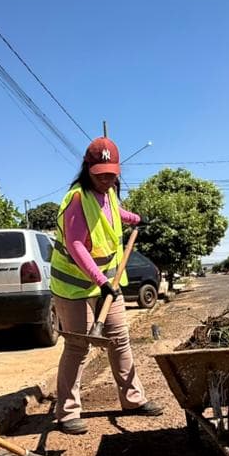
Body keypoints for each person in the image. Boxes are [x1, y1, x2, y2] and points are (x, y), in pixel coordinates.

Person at [49, 137, 164, 434]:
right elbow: (76, 244)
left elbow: (115, 212)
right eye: (100, 174)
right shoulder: (76, 199)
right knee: (78, 346)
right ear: (87, 168)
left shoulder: (109, 193)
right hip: (74, 287)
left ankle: (133, 400)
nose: (105, 179)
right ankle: (67, 412)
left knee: (119, 339)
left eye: (111, 174)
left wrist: (137, 219)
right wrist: (100, 282)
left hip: (106, 284)